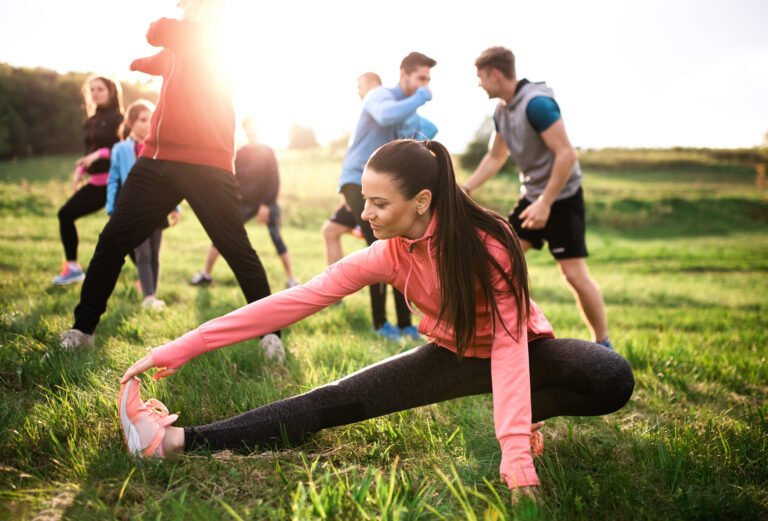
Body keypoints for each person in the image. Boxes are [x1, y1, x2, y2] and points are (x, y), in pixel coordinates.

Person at [118, 139, 634, 499]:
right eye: (365, 200)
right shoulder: (388, 253)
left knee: (609, 375)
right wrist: (184, 345)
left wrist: (515, 455)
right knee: (329, 401)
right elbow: (296, 300)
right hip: (451, 355)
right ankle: (173, 442)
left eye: (378, 203)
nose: (365, 213)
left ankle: (519, 415)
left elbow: (507, 344)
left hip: (522, 350)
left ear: (422, 201)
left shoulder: (490, 245)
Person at [59, 0, 284, 363]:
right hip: (157, 161)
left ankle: (271, 335)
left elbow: (157, 31)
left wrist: (177, 27)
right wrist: (136, 64)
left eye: (191, 5)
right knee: (113, 240)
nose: (186, 10)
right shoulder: (178, 47)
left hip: (208, 165)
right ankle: (83, 330)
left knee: (236, 249)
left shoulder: (212, 39)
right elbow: (155, 57)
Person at [463, 46, 614, 349]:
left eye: (481, 77)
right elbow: (496, 156)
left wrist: (546, 202)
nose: (479, 84)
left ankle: (603, 344)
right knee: (497, 259)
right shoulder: (502, 111)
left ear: (495, 74)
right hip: (532, 197)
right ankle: (501, 336)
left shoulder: (537, 104)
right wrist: (466, 189)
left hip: (562, 197)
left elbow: (566, 154)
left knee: (573, 274)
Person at [337, 58, 436, 342]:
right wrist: (419, 99)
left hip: (385, 187)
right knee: (379, 251)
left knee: (398, 249)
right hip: (358, 181)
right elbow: (384, 116)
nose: (425, 86)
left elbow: (429, 129)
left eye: (428, 81)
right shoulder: (379, 95)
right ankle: (380, 324)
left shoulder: (405, 111)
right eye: (420, 79)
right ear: (403, 75)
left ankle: (405, 324)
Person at [321, 72, 436, 278]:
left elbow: (429, 128)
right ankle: (334, 287)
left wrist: (409, 151)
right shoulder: (375, 113)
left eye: (360, 86)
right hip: (357, 187)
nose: (359, 92)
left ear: (372, 84)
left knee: (378, 247)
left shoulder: (377, 97)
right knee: (330, 230)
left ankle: (392, 293)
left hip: (373, 188)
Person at [190, 117, 298, 289]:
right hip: (244, 203)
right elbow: (234, 178)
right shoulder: (240, 153)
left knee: (277, 238)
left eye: (254, 127)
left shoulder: (267, 151)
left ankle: (291, 279)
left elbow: (274, 180)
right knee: (223, 235)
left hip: (267, 203)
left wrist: (266, 205)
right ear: (244, 130)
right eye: (248, 128)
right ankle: (206, 274)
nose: (251, 131)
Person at [106, 99, 180, 310]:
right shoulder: (120, 149)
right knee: (143, 253)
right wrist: (111, 208)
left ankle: (152, 296)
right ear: (131, 123)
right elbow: (113, 179)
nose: (148, 124)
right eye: (143, 120)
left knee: (154, 253)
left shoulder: (158, 148)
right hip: (132, 209)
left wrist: (175, 206)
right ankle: (148, 297)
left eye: (151, 120)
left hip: (156, 208)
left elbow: (169, 180)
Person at [52, 75, 124, 285]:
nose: (95, 93)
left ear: (111, 92)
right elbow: (89, 151)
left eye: (100, 89)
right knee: (65, 215)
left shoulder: (119, 119)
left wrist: (100, 154)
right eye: (92, 90)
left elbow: (124, 149)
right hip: (95, 184)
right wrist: (80, 170)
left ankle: (145, 281)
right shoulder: (91, 121)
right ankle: (73, 269)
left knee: (122, 231)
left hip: (115, 184)